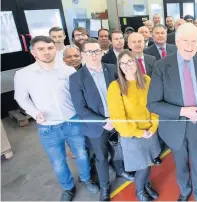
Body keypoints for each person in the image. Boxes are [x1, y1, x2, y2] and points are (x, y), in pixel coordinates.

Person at [14, 36, 98, 201]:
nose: (46, 52)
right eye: (41, 49)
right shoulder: (23, 74)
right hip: (48, 126)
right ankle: (68, 188)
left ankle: (86, 179)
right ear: (33, 52)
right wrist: (33, 112)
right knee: (58, 161)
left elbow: (77, 95)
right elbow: (21, 97)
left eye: (50, 48)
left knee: (81, 154)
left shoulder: (67, 70)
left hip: (73, 121)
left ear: (55, 49)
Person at [147, 23, 197, 201]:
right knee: (180, 164)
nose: (190, 45)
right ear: (177, 41)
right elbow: (153, 104)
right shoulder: (161, 66)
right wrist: (183, 111)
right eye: (185, 40)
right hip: (174, 126)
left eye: (194, 41)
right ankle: (185, 191)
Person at [69, 38, 132, 201]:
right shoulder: (76, 78)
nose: (94, 55)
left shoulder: (112, 69)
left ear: (102, 52)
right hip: (97, 127)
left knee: (119, 150)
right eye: (89, 52)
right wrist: (104, 121)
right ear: (82, 54)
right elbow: (81, 109)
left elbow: (124, 93)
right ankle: (105, 186)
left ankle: (121, 171)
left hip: (118, 121)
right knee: (101, 157)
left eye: (97, 51)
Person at [107, 50, 161, 201]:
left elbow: (154, 106)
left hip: (149, 132)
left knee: (148, 162)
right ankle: (139, 192)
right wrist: (139, 132)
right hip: (131, 135)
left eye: (129, 61)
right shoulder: (115, 87)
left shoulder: (147, 80)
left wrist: (152, 127)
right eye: (122, 63)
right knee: (142, 167)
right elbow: (118, 119)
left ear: (136, 62)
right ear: (119, 66)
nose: (126, 66)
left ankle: (146, 185)